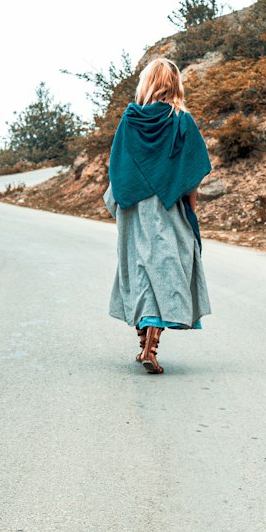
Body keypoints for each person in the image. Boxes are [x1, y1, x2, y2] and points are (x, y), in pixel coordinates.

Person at [104, 56, 212, 375]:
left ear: (146, 84)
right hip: (167, 207)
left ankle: (144, 344)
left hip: (132, 207)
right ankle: (150, 346)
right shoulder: (181, 120)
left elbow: (117, 167)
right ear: (175, 84)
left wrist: (120, 201)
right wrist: (191, 212)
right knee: (166, 267)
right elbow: (192, 175)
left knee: (138, 267)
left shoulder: (130, 120)